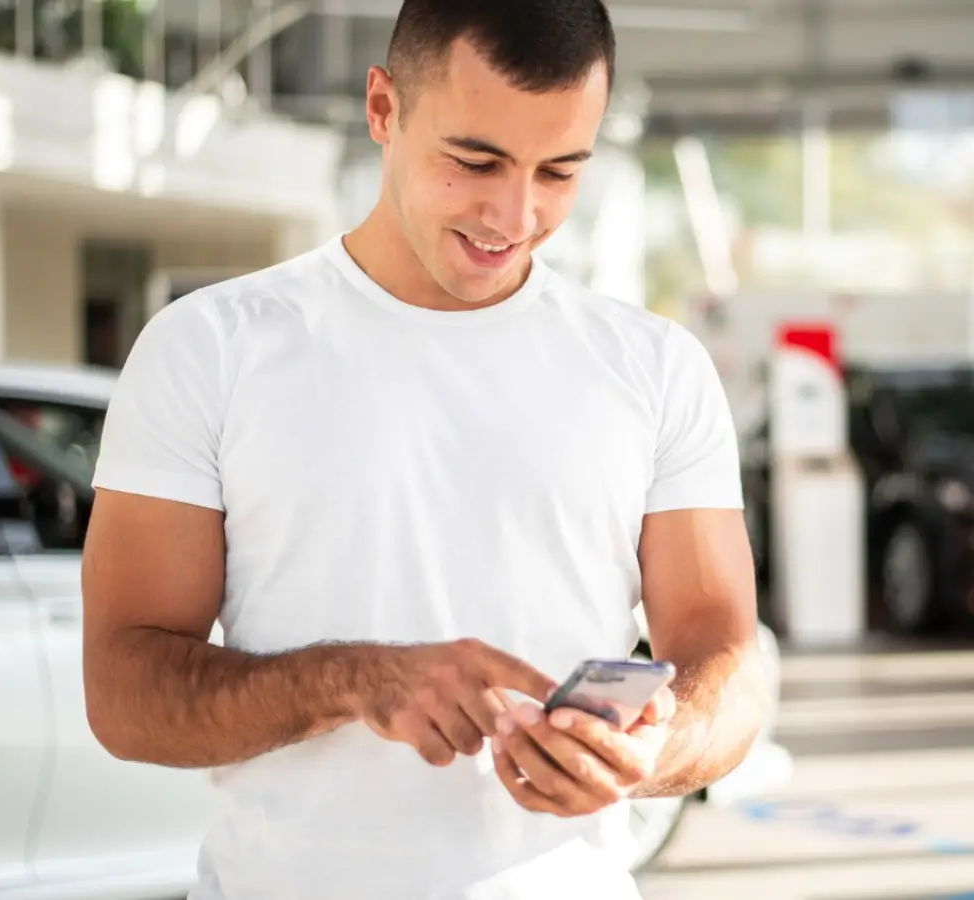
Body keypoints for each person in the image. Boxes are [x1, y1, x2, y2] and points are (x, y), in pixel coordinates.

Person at [78, 1, 768, 898]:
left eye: (559, 171)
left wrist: (654, 744)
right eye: (474, 161)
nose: (513, 213)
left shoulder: (655, 368)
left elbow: (728, 664)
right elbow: (124, 692)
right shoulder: (208, 349)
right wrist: (350, 680)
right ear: (383, 110)